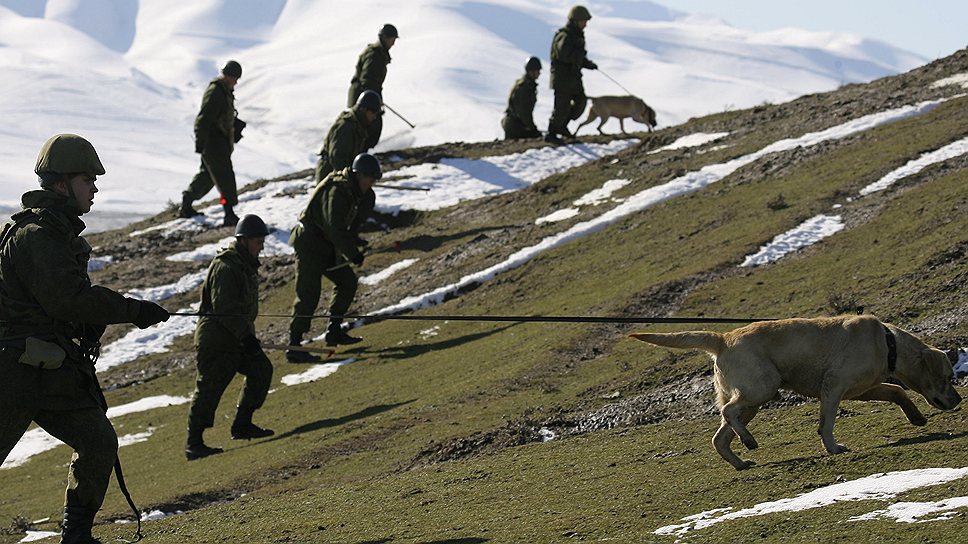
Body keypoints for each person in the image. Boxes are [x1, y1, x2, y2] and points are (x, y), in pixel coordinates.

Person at [0, 134, 171, 544]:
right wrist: (132, 310)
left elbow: (62, 306)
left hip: (52, 371)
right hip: (13, 375)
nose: (95, 187)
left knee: (98, 442)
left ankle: (76, 536)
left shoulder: (56, 234)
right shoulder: (37, 236)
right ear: (61, 184)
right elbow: (67, 300)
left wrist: (92, 324)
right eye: (87, 179)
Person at [186, 214, 275, 460]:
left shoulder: (244, 264)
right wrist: (246, 338)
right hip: (217, 341)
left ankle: (242, 424)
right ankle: (194, 443)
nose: (262, 246)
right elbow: (226, 308)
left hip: (237, 338)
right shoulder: (227, 266)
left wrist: (247, 337)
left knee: (261, 370)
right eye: (258, 241)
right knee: (209, 389)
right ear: (244, 240)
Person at [286, 153, 382, 362]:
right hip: (310, 244)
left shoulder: (355, 191)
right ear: (358, 175)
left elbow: (345, 226)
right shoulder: (338, 190)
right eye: (370, 179)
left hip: (326, 245)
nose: (371, 184)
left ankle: (334, 331)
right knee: (308, 293)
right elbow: (334, 228)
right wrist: (352, 253)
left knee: (347, 282)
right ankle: (294, 345)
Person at [179, 60, 246, 227]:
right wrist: (201, 142)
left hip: (218, 140)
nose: (236, 82)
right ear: (228, 76)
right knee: (224, 176)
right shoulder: (216, 91)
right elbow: (203, 118)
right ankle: (229, 213)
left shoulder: (224, 91)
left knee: (207, 176)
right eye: (235, 78)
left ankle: (186, 203)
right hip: (214, 141)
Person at [546, 6, 597, 145]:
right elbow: (564, 55)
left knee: (581, 102)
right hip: (563, 78)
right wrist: (581, 58)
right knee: (561, 106)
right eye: (583, 21)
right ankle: (551, 133)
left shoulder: (576, 35)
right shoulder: (565, 35)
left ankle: (562, 126)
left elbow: (576, 57)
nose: (585, 24)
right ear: (575, 21)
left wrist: (587, 64)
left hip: (573, 78)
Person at [347, 23, 398, 150]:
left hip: (366, 95)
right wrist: (372, 100)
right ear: (385, 38)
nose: (393, 43)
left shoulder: (379, 53)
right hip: (362, 96)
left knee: (369, 126)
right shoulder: (375, 55)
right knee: (368, 126)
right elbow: (367, 80)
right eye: (392, 39)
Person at [315, 90, 384, 183]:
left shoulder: (358, 125)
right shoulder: (346, 126)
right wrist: (350, 177)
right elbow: (337, 158)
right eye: (373, 113)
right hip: (330, 174)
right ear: (364, 110)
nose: (374, 117)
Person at [502, 56, 543, 140]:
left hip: (515, 123)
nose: (539, 73)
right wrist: (532, 128)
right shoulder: (525, 87)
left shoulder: (527, 85)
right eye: (538, 70)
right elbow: (523, 112)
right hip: (515, 125)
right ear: (531, 71)